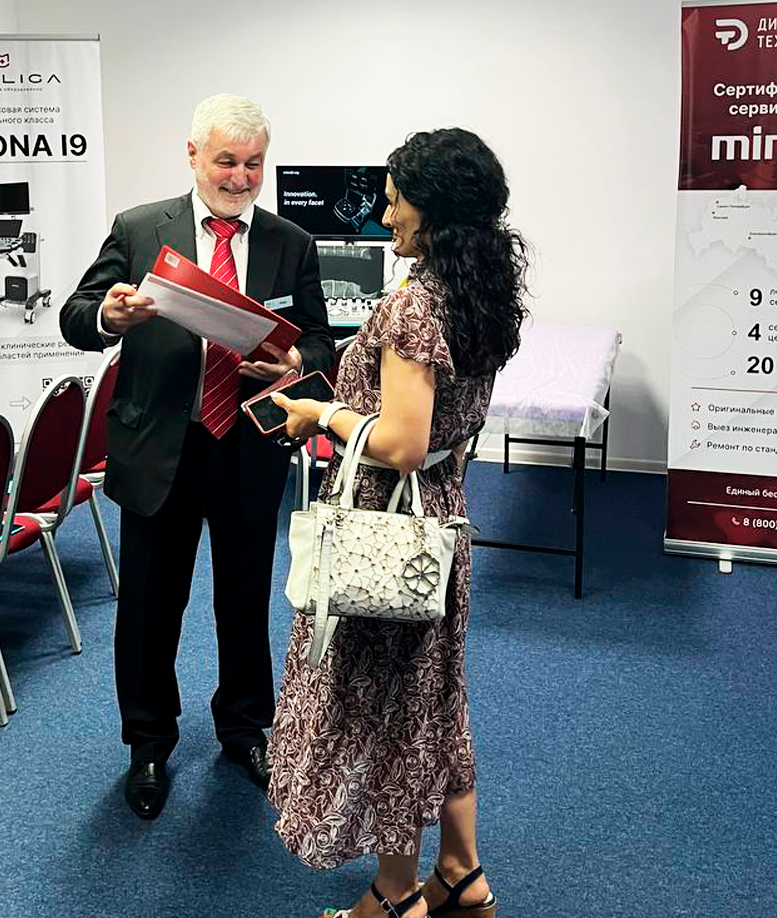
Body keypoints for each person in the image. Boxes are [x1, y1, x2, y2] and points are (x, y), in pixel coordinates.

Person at [267, 128, 529, 918]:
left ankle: (393, 894)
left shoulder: (414, 306)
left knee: (385, 708)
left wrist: (321, 413)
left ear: (434, 209)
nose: (385, 217)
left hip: (386, 524)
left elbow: (402, 443)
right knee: (433, 697)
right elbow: (441, 430)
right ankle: (460, 873)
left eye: (395, 202)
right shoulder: (479, 290)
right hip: (440, 518)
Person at [59, 93, 333, 820]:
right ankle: (148, 743)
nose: (240, 177)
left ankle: (244, 730)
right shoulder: (140, 228)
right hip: (160, 448)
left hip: (248, 444)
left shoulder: (290, 242)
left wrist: (295, 360)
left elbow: (321, 341)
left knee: (244, 599)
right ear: (193, 155)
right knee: (151, 606)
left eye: (254, 164)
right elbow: (77, 316)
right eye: (226, 162)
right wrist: (109, 314)